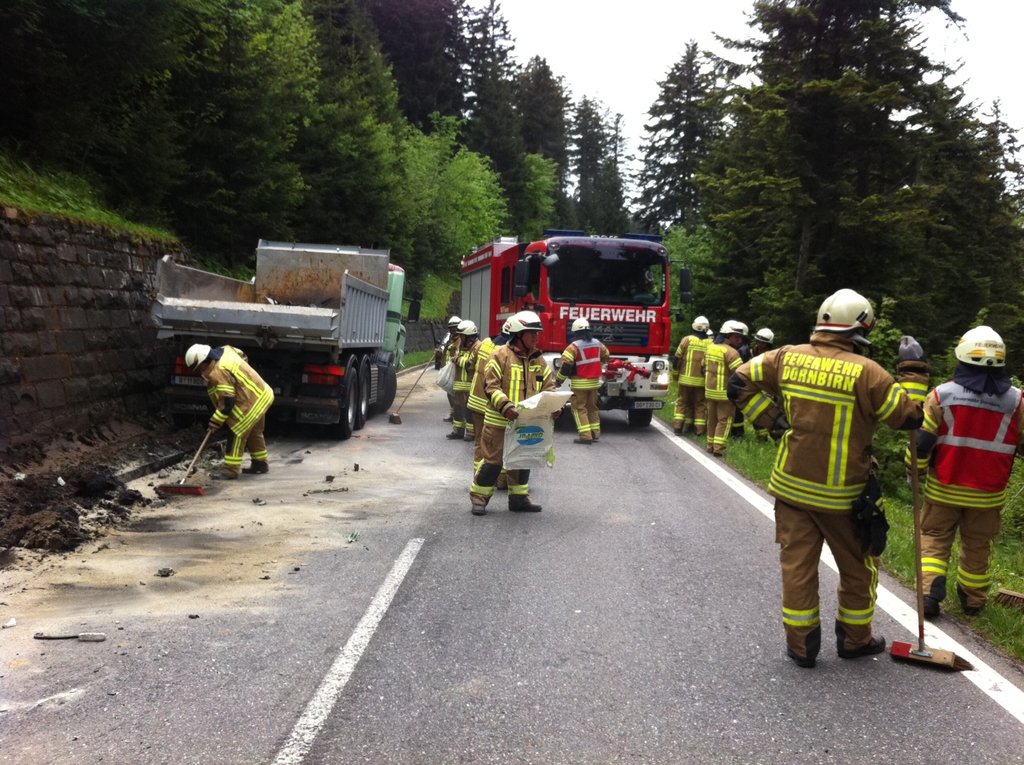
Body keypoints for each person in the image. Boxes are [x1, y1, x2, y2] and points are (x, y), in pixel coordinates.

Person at [727, 288, 928, 668]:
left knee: (797, 568)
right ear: (861, 328)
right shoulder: (869, 373)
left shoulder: (784, 356)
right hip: (843, 497)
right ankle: (854, 640)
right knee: (859, 569)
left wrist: (771, 420)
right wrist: (913, 371)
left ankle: (801, 646)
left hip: (791, 488)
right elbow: (910, 417)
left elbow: (737, 383)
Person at [910, 325, 1024, 618]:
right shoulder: (1017, 402)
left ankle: (930, 594)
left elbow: (922, 444)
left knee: (934, 538)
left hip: (943, 490)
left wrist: (915, 472)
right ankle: (973, 600)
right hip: (988, 497)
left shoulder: (941, 395)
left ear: (962, 355)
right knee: (978, 546)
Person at [470, 311, 559, 515]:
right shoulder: (499, 355)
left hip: (526, 423)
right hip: (498, 422)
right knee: (493, 463)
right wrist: (506, 407)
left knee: (523, 460)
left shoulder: (538, 359)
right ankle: (479, 498)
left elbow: (549, 387)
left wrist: (555, 407)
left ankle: (518, 500)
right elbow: (490, 386)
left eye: (537, 333)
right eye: (532, 333)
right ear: (518, 334)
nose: (536, 337)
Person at [185, 343, 275, 479]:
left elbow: (227, 402)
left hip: (249, 403)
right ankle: (260, 464)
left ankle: (230, 470)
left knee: (236, 432)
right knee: (254, 432)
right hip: (262, 394)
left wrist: (215, 421)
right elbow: (242, 355)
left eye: (198, 368)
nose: (199, 372)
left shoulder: (217, 372)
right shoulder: (226, 350)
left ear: (204, 361)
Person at [468, 319, 512, 484]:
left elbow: (471, 364)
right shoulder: (506, 354)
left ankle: (479, 477)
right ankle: (501, 478)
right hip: (494, 405)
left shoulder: (485, 343)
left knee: (480, 442)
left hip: (476, 400)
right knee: (502, 444)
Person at [556, 317, 610, 444]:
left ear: (575, 332)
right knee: (592, 408)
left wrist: (559, 380)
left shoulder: (573, 347)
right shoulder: (597, 343)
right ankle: (595, 434)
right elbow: (606, 355)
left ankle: (585, 436)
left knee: (579, 408)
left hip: (579, 384)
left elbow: (566, 366)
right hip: (594, 383)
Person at [703, 321, 746, 457]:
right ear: (727, 335)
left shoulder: (710, 348)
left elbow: (703, 367)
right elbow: (740, 374)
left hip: (709, 391)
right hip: (724, 394)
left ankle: (710, 445)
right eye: (736, 337)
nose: (739, 340)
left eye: (740, 337)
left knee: (711, 419)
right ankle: (719, 448)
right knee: (724, 420)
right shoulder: (732, 353)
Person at [672, 316, 712, 436]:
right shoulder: (711, 343)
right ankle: (699, 430)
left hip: (685, 379)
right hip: (701, 381)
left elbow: (677, 359)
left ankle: (678, 426)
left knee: (682, 402)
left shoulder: (687, 340)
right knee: (700, 405)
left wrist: (675, 375)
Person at [447, 320, 481, 441]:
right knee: (458, 409)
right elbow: (454, 355)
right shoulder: (461, 345)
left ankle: (471, 433)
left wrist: (457, 360)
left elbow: (470, 364)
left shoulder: (477, 347)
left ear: (469, 336)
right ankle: (458, 431)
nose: (460, 338)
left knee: (469, 411)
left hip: (470, 385)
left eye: (462, 336)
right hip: (459, 384)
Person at [441, 315, 462, 423]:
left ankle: (458, 416)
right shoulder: (451, 339)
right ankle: (452, 414)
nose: (453, 330)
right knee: (449, 393)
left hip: (457, 371)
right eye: (451, 328)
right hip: (450, 370)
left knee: (456, 395)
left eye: (455, 328)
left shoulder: (461, 340)